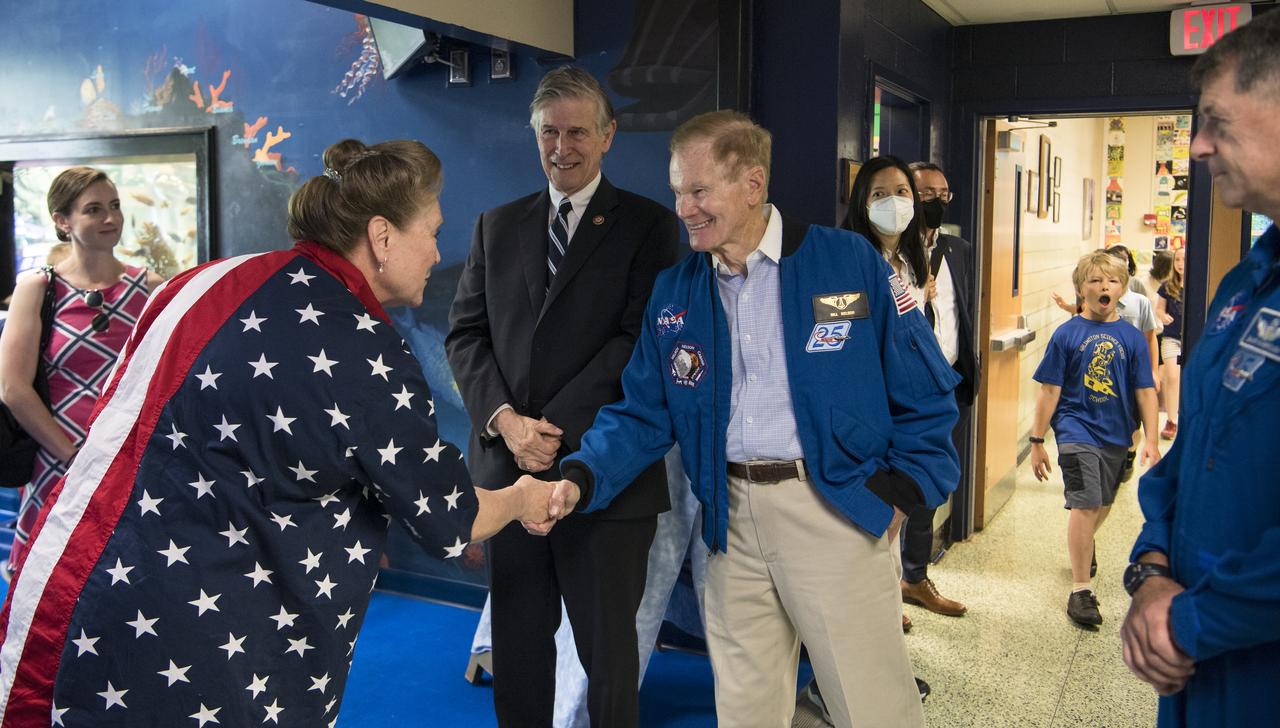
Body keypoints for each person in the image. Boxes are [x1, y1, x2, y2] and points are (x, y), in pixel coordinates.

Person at [0, 139, 554, 725]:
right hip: (212, 639)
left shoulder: (203, 281)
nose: (438, 252)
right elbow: (449, 516)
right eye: (434, 231)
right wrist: (525, 497)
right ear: (383, 236)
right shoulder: (366, 348)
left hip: (85, 587)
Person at [543, 110, 960, 728]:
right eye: (678, 190)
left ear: (753, 184)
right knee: (744, 709)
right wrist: (579, 476)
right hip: (727, 523)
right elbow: (640, 412)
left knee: (873, 706)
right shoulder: (676, 291)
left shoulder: (847, 262)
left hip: (834, 510)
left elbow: (925, 392)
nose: (683, 208)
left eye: (699, 190)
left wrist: (900, 492)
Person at [445, 66, 678, 728]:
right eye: (549, 131)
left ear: (608, 135)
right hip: (508, 475)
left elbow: (637, 345)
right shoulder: (498, 225)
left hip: (607, 477)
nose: (562, 147)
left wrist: (548, 431)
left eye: (578, 131)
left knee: (608, 658)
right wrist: (506, 421)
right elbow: (465, 337)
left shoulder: (649, 227)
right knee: (516, 648)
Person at [1122, 11, 1280, 725]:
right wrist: (1152, 569)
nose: (1199, 144)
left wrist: (1184, 623)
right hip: (1196, 663)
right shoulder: (1246, 284)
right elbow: (1194, 450)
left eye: (1216, 120)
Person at [0, 167, 164, 579]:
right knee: (47, 589)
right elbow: (13, 388)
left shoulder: (151, 287)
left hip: (129, 465)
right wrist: (74, 458)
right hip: (59, 463)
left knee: (125, 587)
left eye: (114, 206)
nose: (111, 219)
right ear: (62, 220)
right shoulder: (39, 287)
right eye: (94, 209)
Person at [1030, 250, 1160, 627]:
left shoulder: (1132, 338)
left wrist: (1151, 439)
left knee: (1100, 504)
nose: (1104, 287)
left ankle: (1082, 542)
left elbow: (1145, 392)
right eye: (1095, 281)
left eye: (1113, 281)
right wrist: (1038, 440)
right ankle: (1081, 590)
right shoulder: (1067, 334)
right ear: (1081, 288)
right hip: (1075, 430)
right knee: (1086, 505)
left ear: (1122, 289)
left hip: (1118, 434)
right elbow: (1049, 391)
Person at [1105, 244, 1161, 482]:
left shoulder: (1139, 302)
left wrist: (1154, 371)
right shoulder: (1098, 300)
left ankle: (1128, 454)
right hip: (1105, 375)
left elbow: (1150, 338)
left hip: (1132, 374)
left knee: (1132, 427)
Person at [1156, 247, 1185, 440]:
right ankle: (1171, 420)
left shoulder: (1199, 283)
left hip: (1192, 338)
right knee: (1172, 377)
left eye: (1184, 260)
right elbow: (1158, 309)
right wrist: (1163, 316)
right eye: (1177, 260)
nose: (1181, 264)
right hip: (1171, 338)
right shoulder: (1167, 286)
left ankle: (1188, 420)